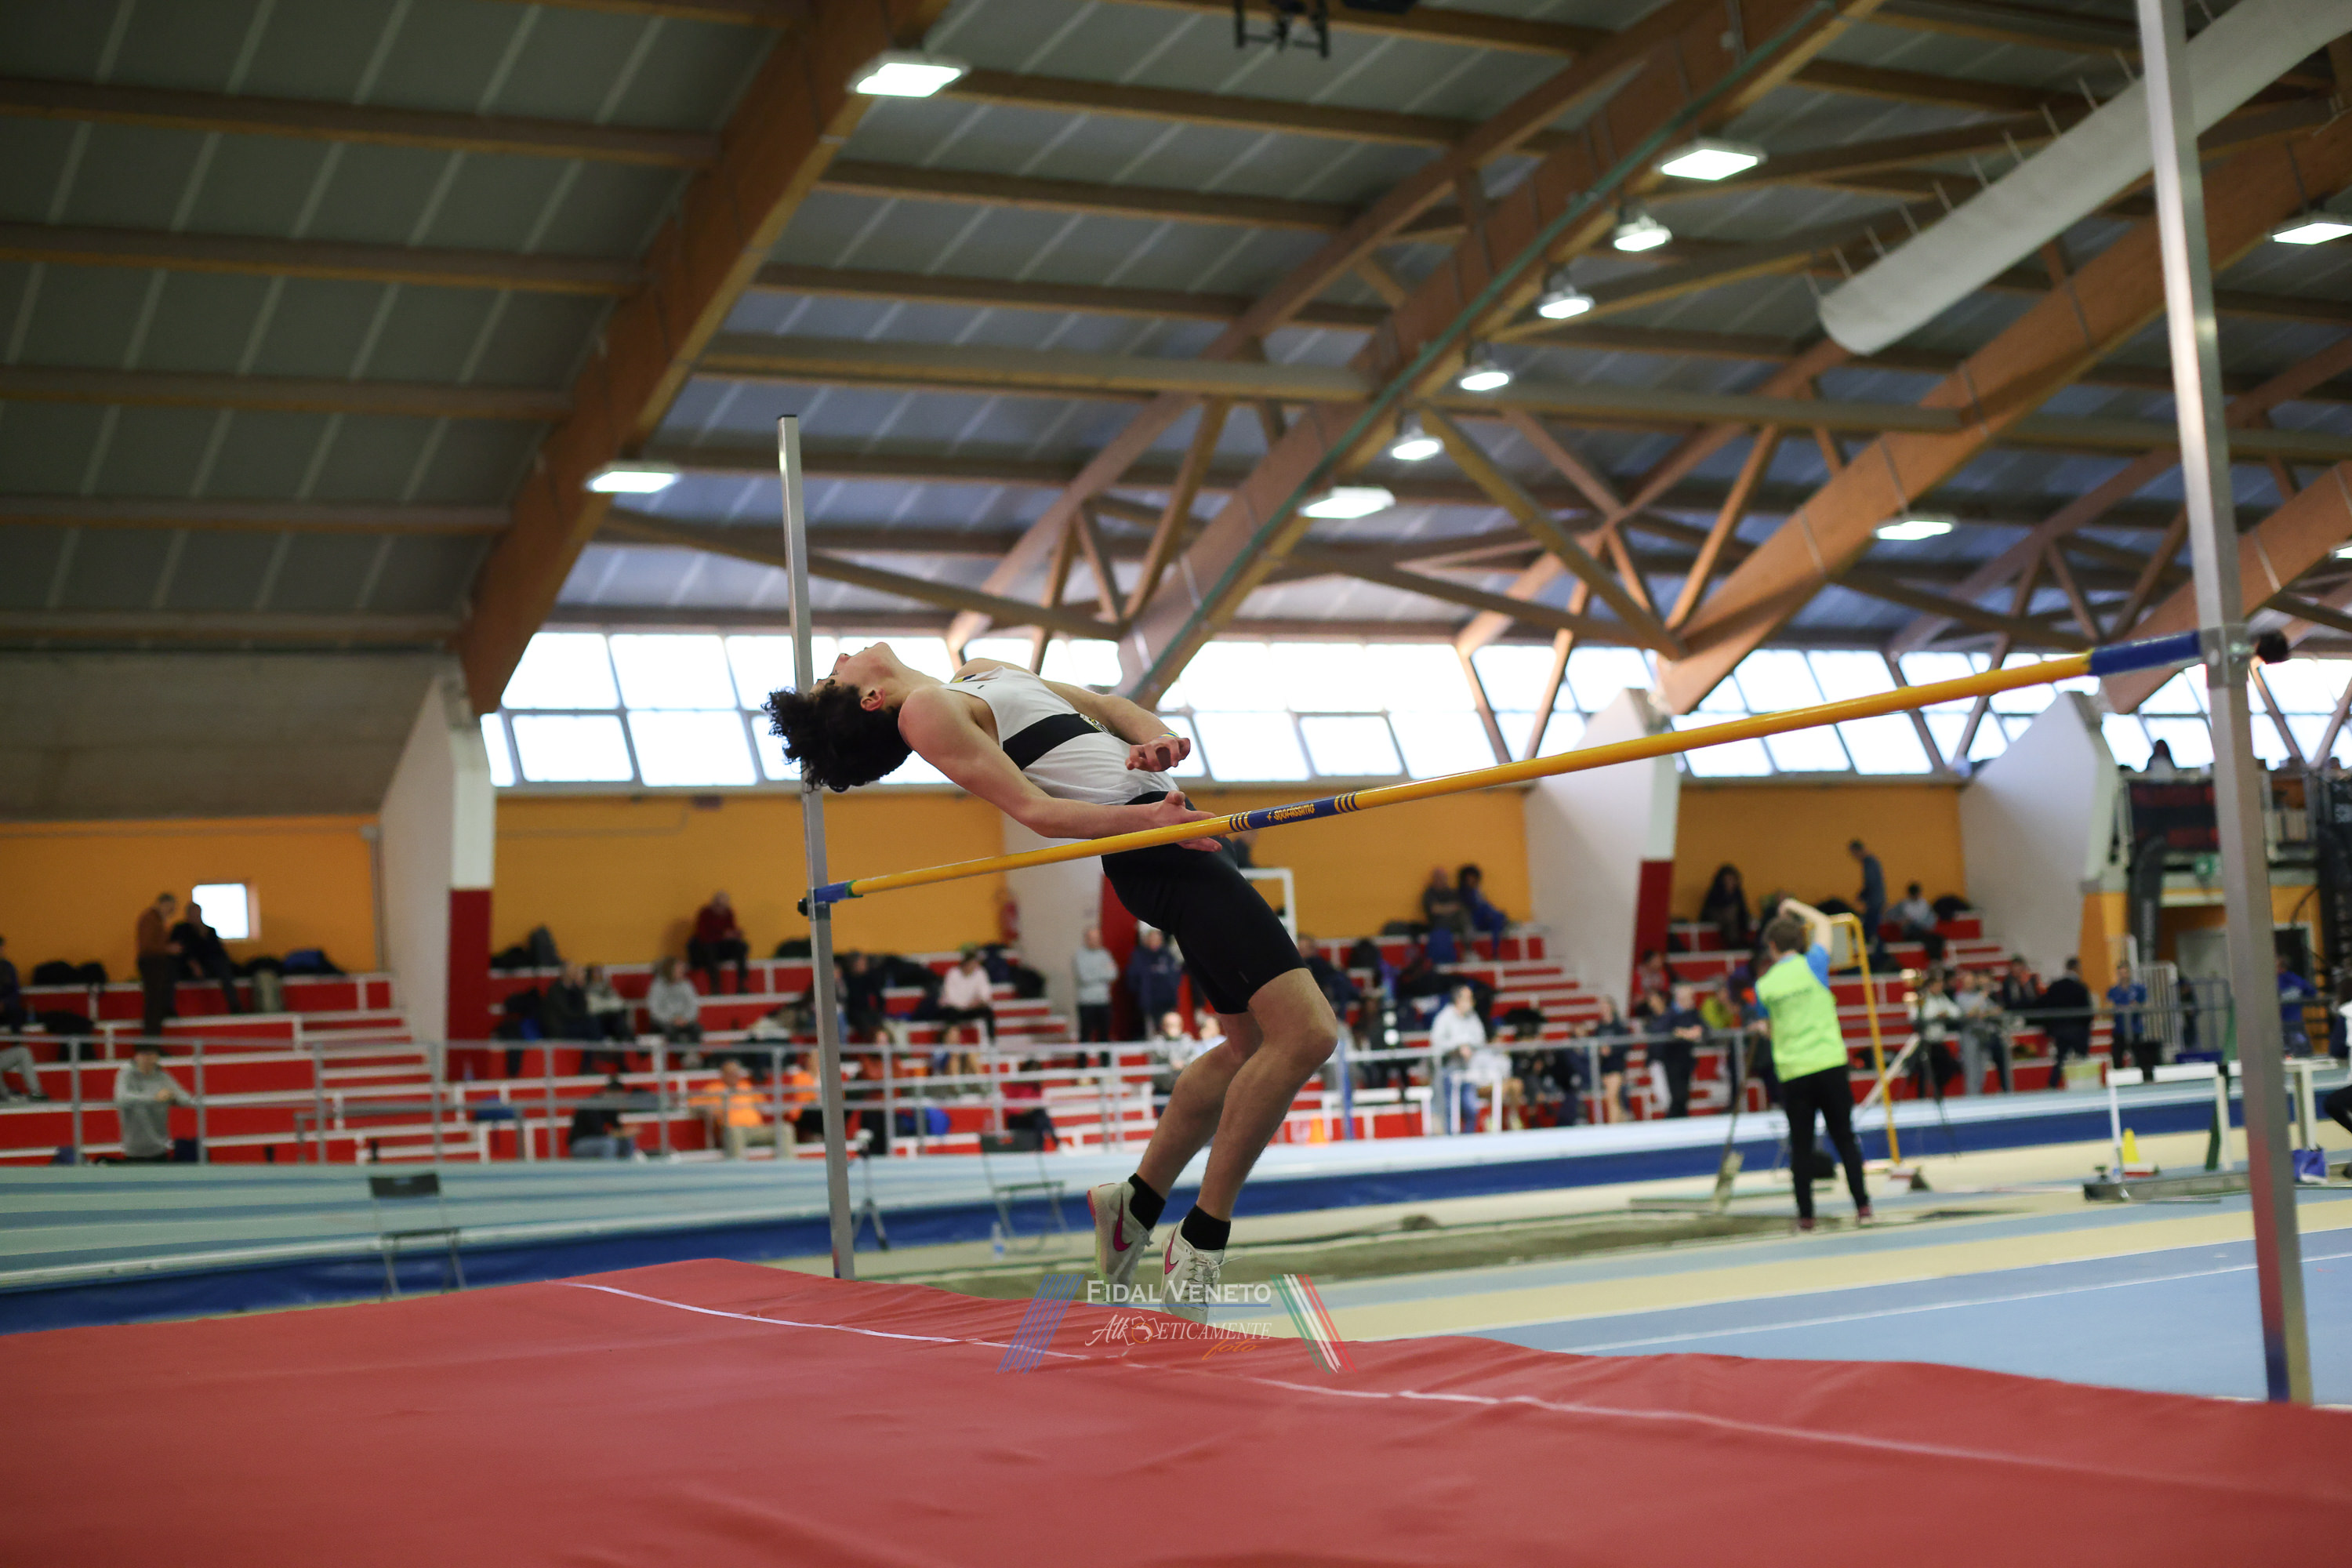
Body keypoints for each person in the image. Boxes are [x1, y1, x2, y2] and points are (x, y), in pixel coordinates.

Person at [768, 641, 1337, 1319]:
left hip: (1170, 833)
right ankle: (1201, 1238)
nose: (841, 653)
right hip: (1156, 847)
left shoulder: (979, 672)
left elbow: (1105, 705)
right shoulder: (924, 711)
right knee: (1308, 1035)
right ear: (870, 700)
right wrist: (1147, 821)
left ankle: (1135, 1203)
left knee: (1249, 1049)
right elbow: (1035, 811)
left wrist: (1155, 741)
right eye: (833, 674)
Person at [1755, 899, 1873, 1230]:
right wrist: (1792, 905)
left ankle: (1806, 1216)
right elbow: (1823, 922)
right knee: (1845, 1138)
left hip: (1794, 1072)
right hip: (1829, 1064)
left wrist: (1764, 1028)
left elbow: (1768, 1028)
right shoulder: (1814, 964)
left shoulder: (1764, 986)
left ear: (1772, 946)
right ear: (1799, 941)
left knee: (1801, 1146)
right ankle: (1863, 1206)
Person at [112, 1044, 194, 1162]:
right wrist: (155, 1099)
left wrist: (172, 1096)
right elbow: (121, 1099)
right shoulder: (126, 1075)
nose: (148, 1059)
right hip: (133, 1149)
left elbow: (186, 1099)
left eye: (151, 1055)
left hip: (160, 1148)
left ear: (157, 1057)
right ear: (136, 1057)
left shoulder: (163, 1077)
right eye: (144, 1055)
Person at [1428, 984, 1489, 1134]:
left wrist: (1467, 1044)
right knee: (1449, 1109)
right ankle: (1450, 1140)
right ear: (1458, 1000)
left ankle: (1469, 1140)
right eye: (1468, 999)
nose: (1472, 1002)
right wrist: (1458, 1046)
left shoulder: (1472, 1017)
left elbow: (1480, 1038)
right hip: (1448, 1070)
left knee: (1470, 1108)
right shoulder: (1444, 1017)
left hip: (1467, 1070)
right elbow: (1437, 1043)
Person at [692, 1058, 779, 1159]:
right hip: (732, 1131)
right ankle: (739, 1166)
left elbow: (764, 1105)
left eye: (736, 1072)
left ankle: (786, 1164)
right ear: (723, 1075)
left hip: (755, 1129)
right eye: (731, 1073)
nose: (735, 1075)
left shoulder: (746, 1087)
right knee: (735, 1132)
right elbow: (693, 1105)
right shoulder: (713, 1089)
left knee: (784, 1130)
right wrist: (709, 1110)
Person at [169, 901, 242, 1014]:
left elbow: (218, 952)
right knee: (170, 970)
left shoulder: (209, 931)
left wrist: (204, 935)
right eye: (193, 913)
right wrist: (193, 964)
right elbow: (179, 951)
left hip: (208, 967)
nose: (196, 916)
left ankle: (235, 1006)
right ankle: (169, 1009)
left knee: (223, 967)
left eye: (198, 913)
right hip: (186, 968)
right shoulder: (181, 929)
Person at [938, 946, 997, 1079]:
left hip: (971, 1008)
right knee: (950, 1013)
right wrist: (967, 1004)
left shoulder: (980, 973)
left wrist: (979, 1002)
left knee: (988, 1012)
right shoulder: (953, 974)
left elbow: (986, 995)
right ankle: (952, 1044)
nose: (973, 966)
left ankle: (991, 1043)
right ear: (965, 963)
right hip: (956, 1009)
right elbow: (950, 998)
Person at [2038, 957, 2094, 1089]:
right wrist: (2085, 1028)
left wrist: (2052, 1029)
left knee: (2060, 1059)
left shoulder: (2055, 986)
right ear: (2077, 969)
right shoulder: (2081, 987)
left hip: (2060, 1030)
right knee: (2082, 1058)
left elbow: (2046, 1006)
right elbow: (2087, 1012)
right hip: (2078, 1031)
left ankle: (2052, 1086)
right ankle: (2084, 1086)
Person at [135, 892, 181, 1040]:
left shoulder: (157, 920)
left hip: (157, 964)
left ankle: (153, 1040)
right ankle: (150, 1040)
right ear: (164, 904)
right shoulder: (150, 919)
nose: (171, 913)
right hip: (151, 964)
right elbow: (147, 946)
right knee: (153, 1004)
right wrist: (168, 949)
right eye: (171, 909)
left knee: (156, 1004)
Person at [1123, 926, 1183, 1040]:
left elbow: (1176, 975)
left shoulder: (1167, 955)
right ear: (1147, 940)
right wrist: (1141, 992)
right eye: (1152, 939)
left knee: (1170, 1030)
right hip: (1149, 1002)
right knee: (1152, 1033)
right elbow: (1133, 978)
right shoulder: (1139, 956)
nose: (1155, 942)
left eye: (1157, 939)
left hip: (1168, 1000)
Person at [1910, 968, 1962, 1100]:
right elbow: (1914, 1016)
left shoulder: (1942, 998)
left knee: (1948, 1068)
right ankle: (1921, 1098)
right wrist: (1935, 1015)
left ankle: (1938, 1091)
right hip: (1926, 1041)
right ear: (1931, 985)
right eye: (1938, 985)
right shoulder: (1922, 998)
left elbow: (1956, 1012)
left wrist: (1946, 1014)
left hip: (1938, 1041)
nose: (1941, 987)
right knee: (1924, 1072)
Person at [1654, 982, 1704, 1120]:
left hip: (1686, 1060)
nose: (1693, 1000)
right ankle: (1673, 1122)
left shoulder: (1693, 1013)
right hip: (1672, 1061)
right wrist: (1681, 1033)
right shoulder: (1669, 1014)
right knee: (1678, 1097)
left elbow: (1704, 1028)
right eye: (1690, 997)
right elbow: (1662, 1030)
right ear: (1681, 999)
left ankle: (1682, 1122)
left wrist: (1698, 1031)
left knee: (1683, 1097)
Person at [688, 891, 750, 997]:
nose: (721, 908)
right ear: (714, 904)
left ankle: (741, 984)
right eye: (719, 905)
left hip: (723, 947)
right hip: (707, 948)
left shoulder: (728, 913)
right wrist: (723, 936)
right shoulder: (705, 914)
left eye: (724, 906)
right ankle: (715, 987)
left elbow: (730, 930)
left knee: (741, 947)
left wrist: (734, 934)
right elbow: (703, 936)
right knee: (710, 950)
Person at [1073, 926, 1117, 1067]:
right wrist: (1103, 973)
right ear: (1086, 939)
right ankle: (1082, 1066)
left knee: (1104, 1035)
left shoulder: (1105, 954)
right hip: (1086, 1002)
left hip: (1103, 1001)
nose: (1096, 941)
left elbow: (1113, 974)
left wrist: (1095, 973)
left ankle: (1105, 1065)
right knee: (1085, 1035)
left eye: (1098, 938)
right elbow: (1084, 977)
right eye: (1092, 938)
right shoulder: (1079, 956)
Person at [567, 1073, 638, 1159]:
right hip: (580, 1143)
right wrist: (620, 1133)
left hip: (599, 1140)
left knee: (627, 1139)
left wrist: (625, 1132)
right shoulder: (592, 1105)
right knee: (608, 1143)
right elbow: (598, 1132)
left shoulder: (611, 1107)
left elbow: (617, 1127)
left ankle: (628, 1164)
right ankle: (609, 1167)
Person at [1588, 994, 1632, 1124]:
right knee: (1614, 1099)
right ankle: (1623, 1119)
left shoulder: (1619, 1026)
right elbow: (1594, 1045)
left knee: (1611, 1097)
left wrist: (1611, 1050)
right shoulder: (1600, 1027)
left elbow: (1626, 1045)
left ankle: (1613, 1125)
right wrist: (1601, 1051)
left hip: (1616, 1066)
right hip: (1605, 1067)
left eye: (1605, 1005)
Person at [2107, 961, 2155, 1076]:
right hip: (2119, 1029)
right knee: (2117, 1055)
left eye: (2126, 973)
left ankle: (2146, 1078)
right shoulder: (2113, 991)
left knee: (2140, 1055)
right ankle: (2119, 1079)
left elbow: (2147, 1004)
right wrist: (2116, 1008)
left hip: (2135, 1028)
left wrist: (2137, 1006)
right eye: (2121, 973)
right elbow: (2108, 1006)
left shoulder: (2139, 989)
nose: (2124, 976)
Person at [645, 956, 702, 1052]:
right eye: (678, 970)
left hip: (683, 1020)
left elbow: (693, 1006)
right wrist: (671, 1019)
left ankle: (693, 1054)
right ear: (670, 970)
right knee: (670, 1031)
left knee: (696, 1029)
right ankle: (682, 1056)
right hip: (664, 1022)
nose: (682, 972)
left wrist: (685, 1019)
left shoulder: (686, 985)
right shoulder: (657, 986)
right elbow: (654, 1009)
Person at [1456, 864, 1510, 953]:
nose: (1472, 880)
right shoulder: (1463, 892)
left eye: (1474, 878)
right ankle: (1496, 947)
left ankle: (1496, 949)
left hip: (1484, 918)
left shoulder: (1478, 891)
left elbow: (1485, 905)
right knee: (1492, 913)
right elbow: (1473, 906)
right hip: (1473, 920)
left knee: (1497, 917)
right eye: (1469, 878)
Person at [1849, 840, 1886, 962]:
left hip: (1874, 903)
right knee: (1871, 931)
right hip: (1876, 902)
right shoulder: (1872, 862)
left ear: (1857, 851)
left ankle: (1879, 958)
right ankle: (1877, 957)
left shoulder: (1869, 863)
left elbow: (1871, 884)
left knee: (1870, 931)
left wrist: (1861, 896)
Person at [1697, 865, 1751, 951]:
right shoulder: (1715, 892)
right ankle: (1734, 942)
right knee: (1730, 914)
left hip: (1733, 920)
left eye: (1732, 880)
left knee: (1732, 914)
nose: (1730, 882)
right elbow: (1709, 910)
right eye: (1728, 880)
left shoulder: (1738, 893)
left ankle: (1737, 941)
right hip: (1718, 917)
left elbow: (1743, 909)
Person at [2278, 954, 2321, 1054]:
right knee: (2301, 1050)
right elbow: (2313, 993)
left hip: (2284, 1022)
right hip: (2294, 1021)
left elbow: (2312, 993)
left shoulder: (2276, 981)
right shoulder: (2296, 979)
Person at [1421, 866, 1470, 944]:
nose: (1441, 880)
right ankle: (1468, 944)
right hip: (1437, 923)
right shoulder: (1430, 893)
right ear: (1434, 879)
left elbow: (1458, 906)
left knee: (1464, 915)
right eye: (1439, 877)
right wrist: (1450, 908)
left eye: (1443, 878)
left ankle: (1469, 944)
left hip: (1453, 921)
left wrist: (1444, 908)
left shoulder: (1450, 892)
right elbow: (1435, 909)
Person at [0, 933, 27, 1036]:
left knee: (16, 1011)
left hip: (7, 1007)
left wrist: (4, 1003)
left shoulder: (8, 967)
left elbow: (15, 992)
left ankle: (17, 1043)